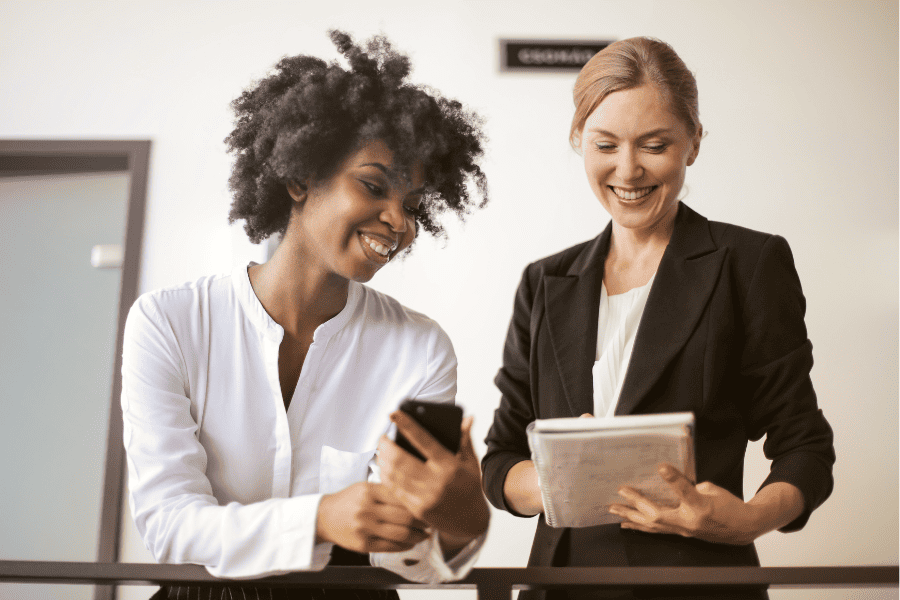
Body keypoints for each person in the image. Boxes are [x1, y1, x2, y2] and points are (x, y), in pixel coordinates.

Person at [121, 30, 491, 600]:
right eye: (374, 186)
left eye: (413, 204)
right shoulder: (170, 322)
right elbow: (170, 528)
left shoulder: (421, 349)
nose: (399, 221)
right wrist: (318, 519)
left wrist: (454, 514)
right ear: (299, 178)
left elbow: (403, 559)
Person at [481, 37, 835, 600]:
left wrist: (744, 521)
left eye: (654, 145)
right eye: (605, 144)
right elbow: (500, 460)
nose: (628, 170)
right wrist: (562, 479)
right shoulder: (545, 282)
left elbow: (805, 447)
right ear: (578, 142)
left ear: (693, 143)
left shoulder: (749, 264)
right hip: (560, 586)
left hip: (698, 586)